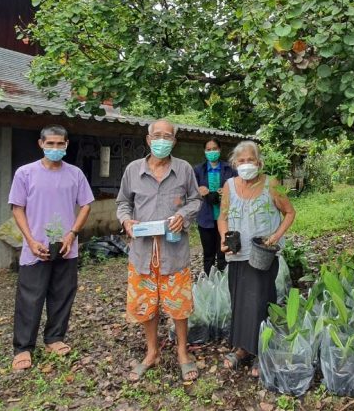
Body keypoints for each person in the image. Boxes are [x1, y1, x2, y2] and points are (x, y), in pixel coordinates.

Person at [117, 119, 202, 382]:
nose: (162, 140)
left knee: (179, 307)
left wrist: (183, 215)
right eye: (157, 135)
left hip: (173, 253)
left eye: (168, 136)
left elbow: (195, 199)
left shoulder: (184, 169)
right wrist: (126, 221)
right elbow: (123, 203)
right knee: (146, 307)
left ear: (174, 141)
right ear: (148, 139)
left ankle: (182, 352)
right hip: (142, 254)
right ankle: (152, 351)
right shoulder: (133, 170)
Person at [9, 125, 94, 371]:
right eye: (51, 144)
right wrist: (30, 240)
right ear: (41, 144)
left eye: (60, 144)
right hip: (36, 248)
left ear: (67, 145)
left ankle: (55, 338)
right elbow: (17, 208)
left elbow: (86, 205)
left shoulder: (75, 174)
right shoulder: (25, 173)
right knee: (30, 297)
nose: (55, 148)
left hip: (66, 246)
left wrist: (72, 234)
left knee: (63, 293)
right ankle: (23, 347)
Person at [218, 141, 295, 376]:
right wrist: (224, 238)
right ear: (234, 164)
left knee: (261, 301)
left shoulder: (271, 184)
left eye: (250, 160)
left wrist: (275, 238)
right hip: (237, 254)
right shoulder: (229, 186)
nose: (246, 164)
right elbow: (223, 217)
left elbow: (290, 213)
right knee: (240, 301)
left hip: (262, 255)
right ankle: (242, 349)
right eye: (241, 161)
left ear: (259, 162)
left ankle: (262, 351)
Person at [194, 138, 236, 275]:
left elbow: (239, 188)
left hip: (225, 217)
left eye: (214, 149)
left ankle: (224, 284)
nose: (212, 152)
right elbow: (188, 191)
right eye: (208, 149)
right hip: (205, 218)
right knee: (208, 254)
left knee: (224, 252)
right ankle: (209, 281)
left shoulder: (230, 169)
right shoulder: (198, 170)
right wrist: (198, 190)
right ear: (204, 151)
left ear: (220, 149)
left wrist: (228, 191)